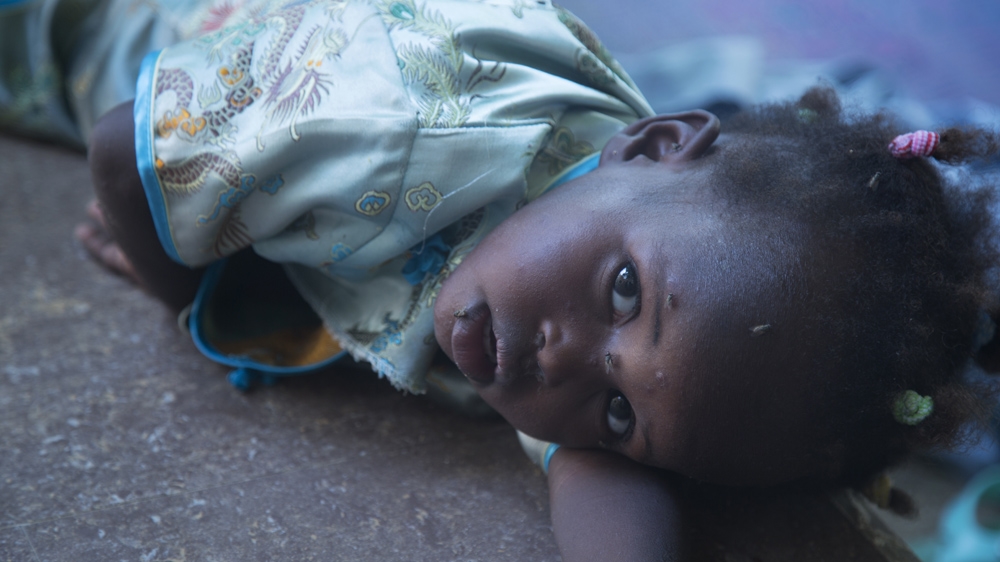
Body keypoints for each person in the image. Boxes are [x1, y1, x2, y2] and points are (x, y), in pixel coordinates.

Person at [5, 0, 1000, 558]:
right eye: (623, 292)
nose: (563, 365)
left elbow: (604, 468)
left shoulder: (638, 281)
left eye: (618, 409)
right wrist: (175, 278)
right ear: (651, 143)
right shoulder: (399, 119)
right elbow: (118, 140)